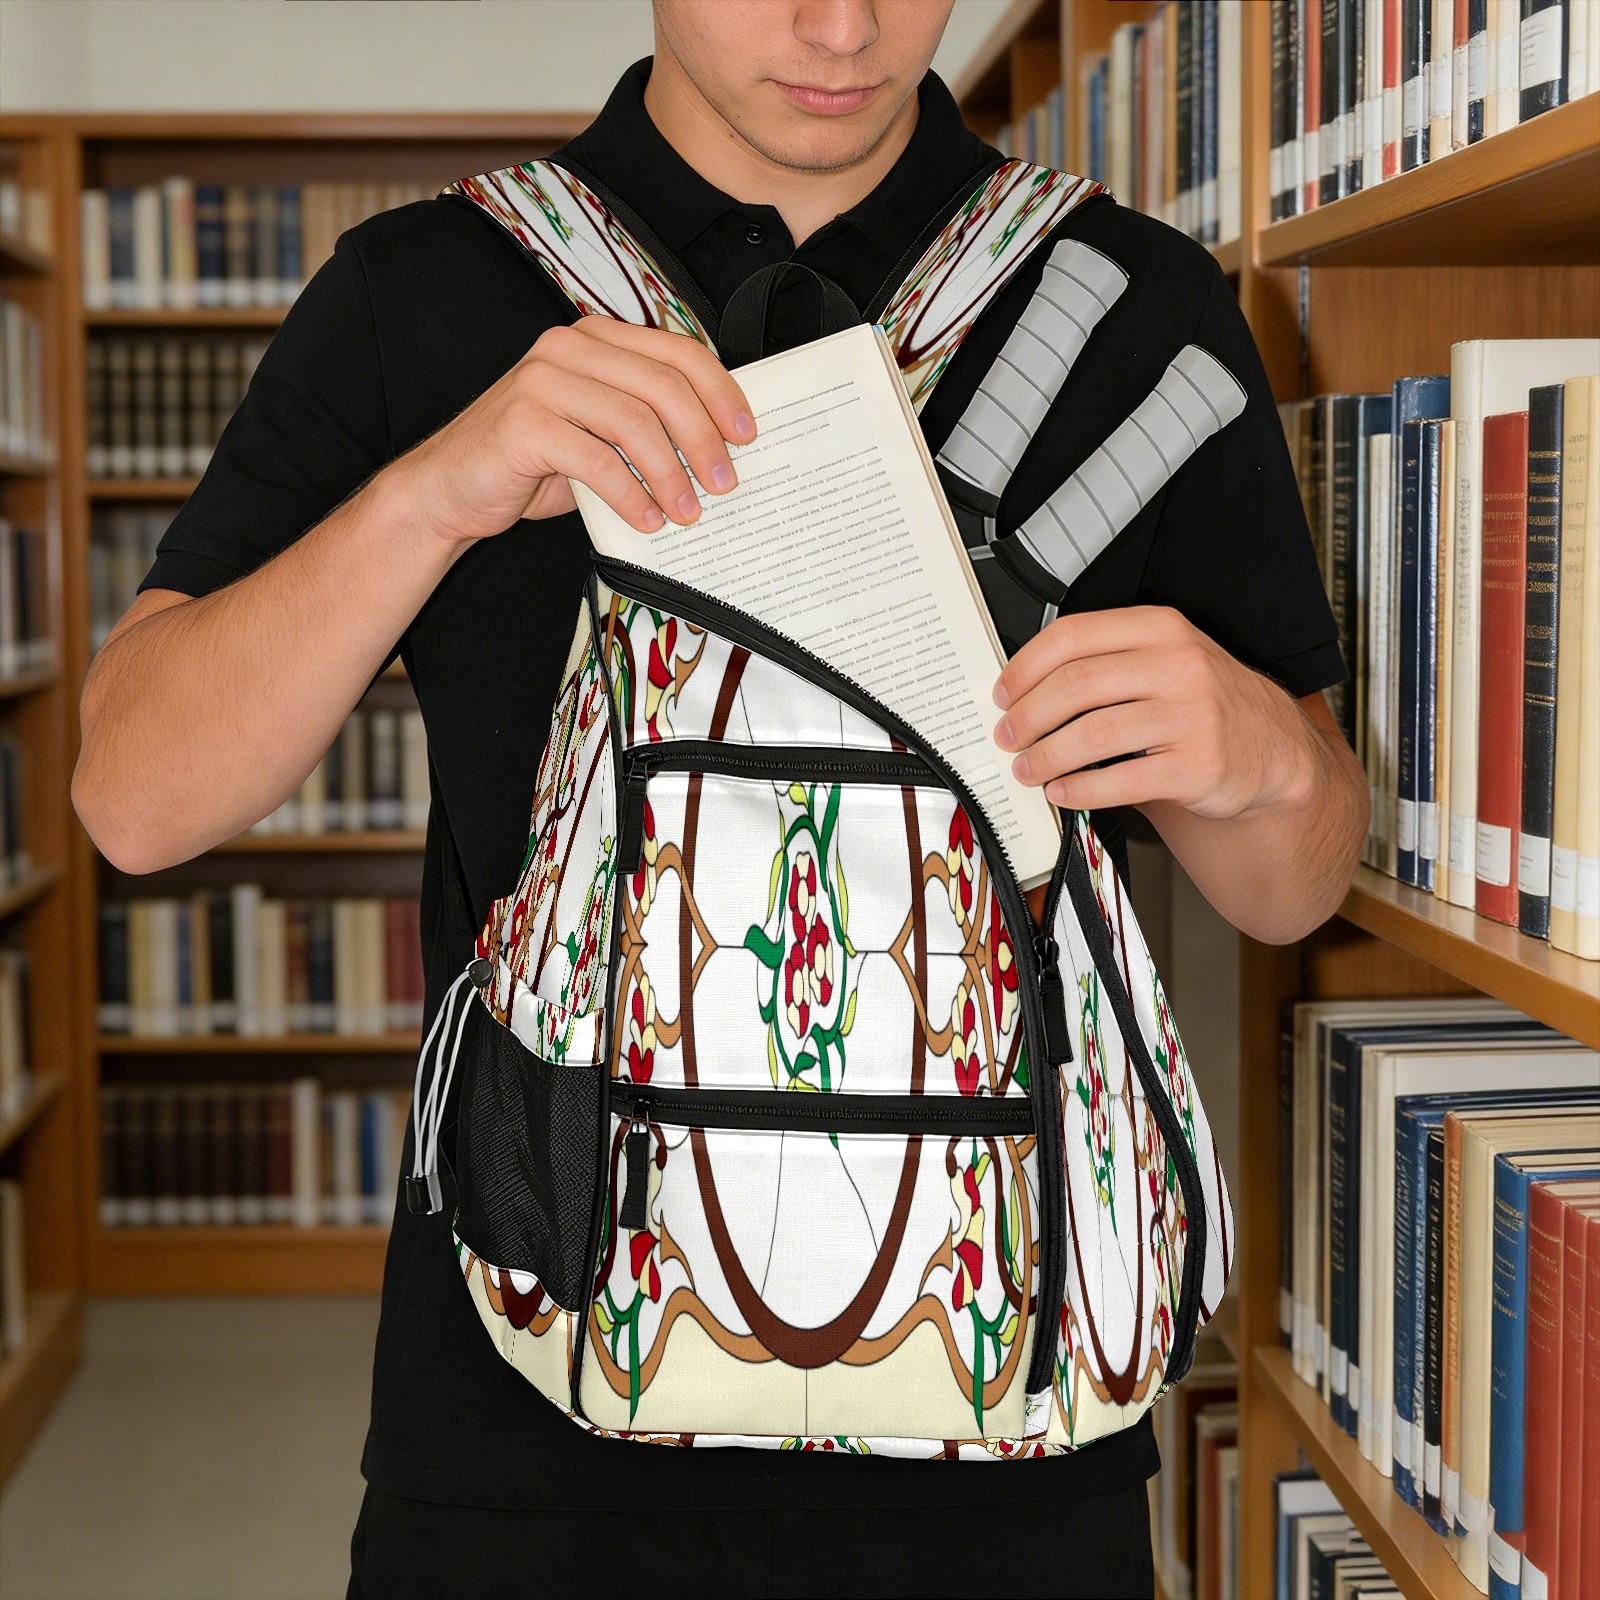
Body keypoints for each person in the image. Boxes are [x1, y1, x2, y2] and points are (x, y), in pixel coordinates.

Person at [71, 2, 1369, 1595]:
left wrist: (1265, 754)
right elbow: (134, 798)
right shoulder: (424, 292)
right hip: (526, 1429)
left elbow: (1291, 890)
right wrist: (429, 497)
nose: (843, 26)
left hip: (1017, 1427)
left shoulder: (1132, 304)